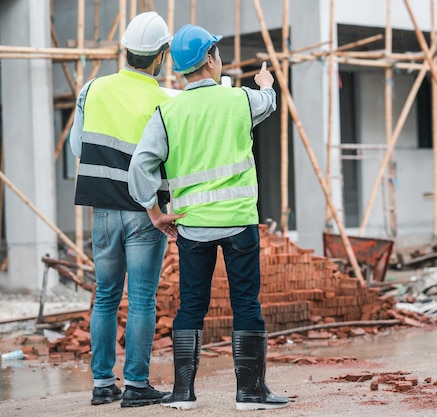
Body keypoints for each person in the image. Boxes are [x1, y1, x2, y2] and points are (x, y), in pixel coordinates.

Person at [128, 24, 289, 411]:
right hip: (238, 222)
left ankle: (183, 393)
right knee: (246, 304)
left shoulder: (168, 111)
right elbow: (267, 102)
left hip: (192, 225)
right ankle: (250, 393)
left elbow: (141, 166)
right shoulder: (238, 100)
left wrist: (155, 211)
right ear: (211, 59)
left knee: (191, 306)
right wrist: (265, 82)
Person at [69, 11, 183, 408]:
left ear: (127, 51)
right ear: (161, 55)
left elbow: (77, 149)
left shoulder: (92, 89)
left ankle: (103, 384)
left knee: (104, 296)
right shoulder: (166, 98)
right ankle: (136, 385)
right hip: (144, 211)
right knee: (141, 299)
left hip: (102, 210)